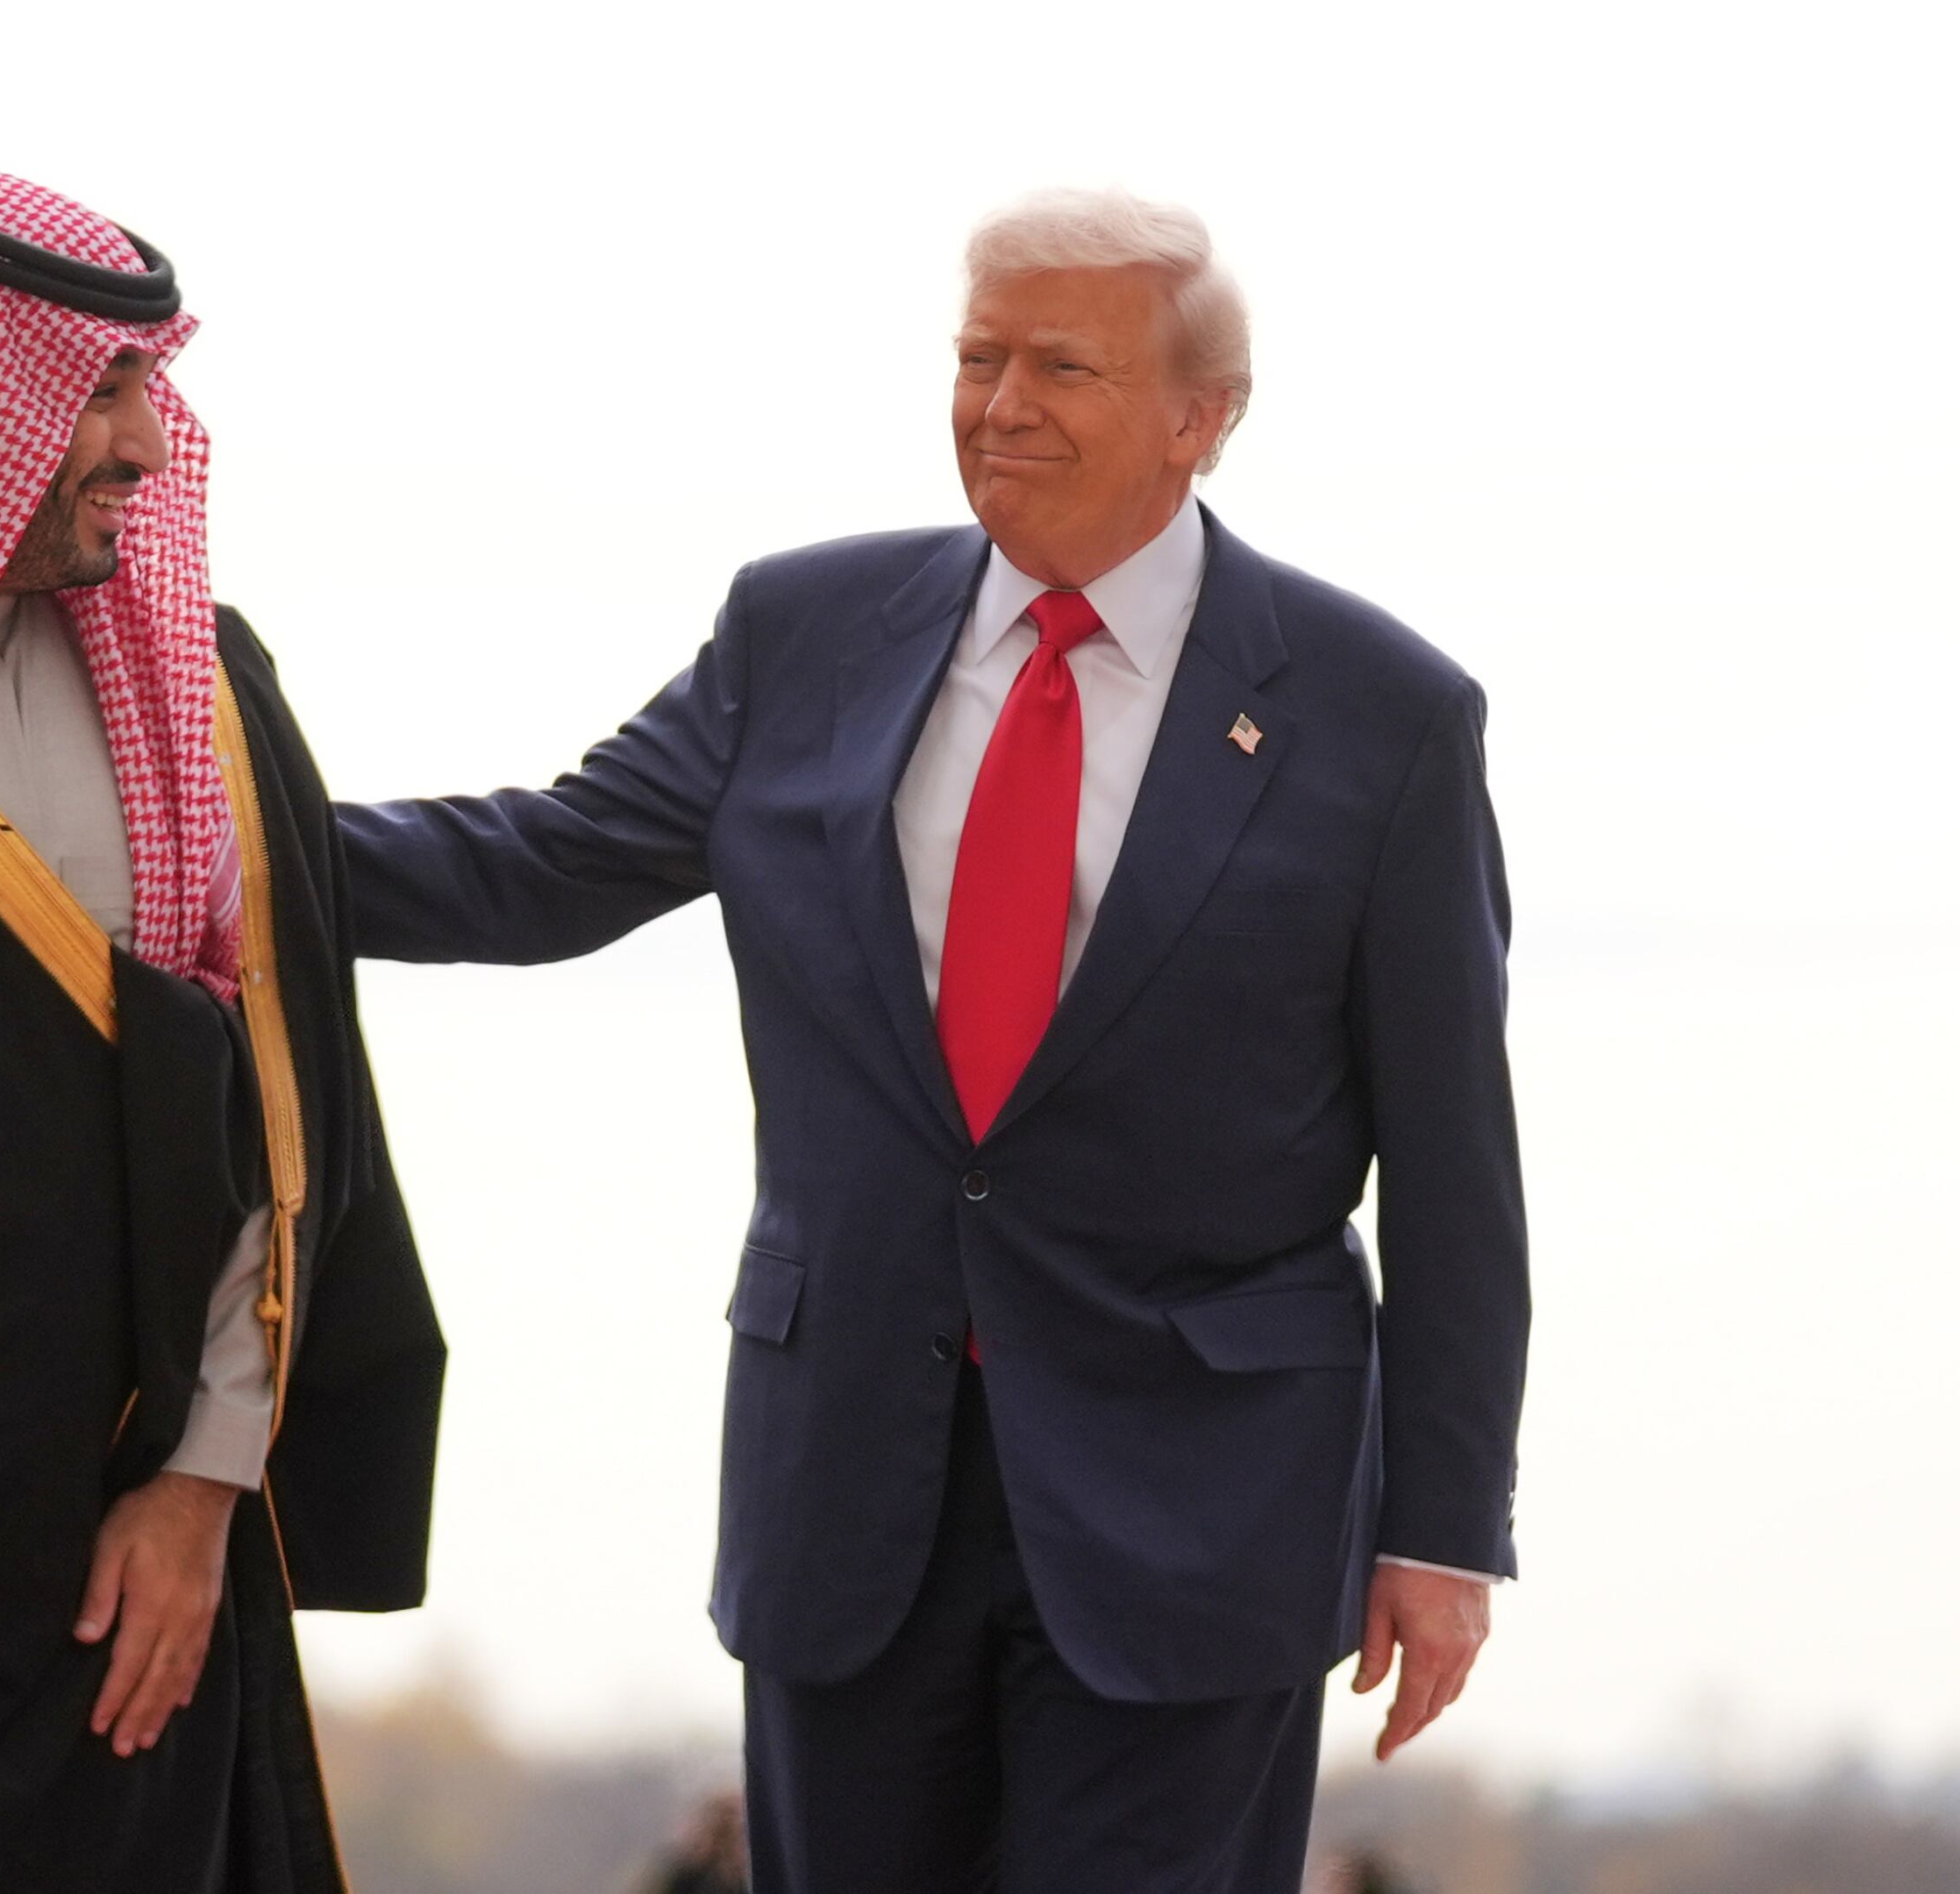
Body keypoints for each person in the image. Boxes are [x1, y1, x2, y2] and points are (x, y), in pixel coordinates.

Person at [335, 189, 1528, 1890]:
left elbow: (1458, 1156)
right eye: (978, 358)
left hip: (1200, 1511)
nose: (1001, 403)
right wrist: (201, 833)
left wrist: (1441, 1524)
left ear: (1203, 417)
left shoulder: (1383, 713)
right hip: (852, 1487)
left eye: (1061, 365)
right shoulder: (802, 635)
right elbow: (539, 864)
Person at [0, 163, 446, 1892]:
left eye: (146, 386)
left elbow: (275, 1134)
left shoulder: (206, 701)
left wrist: (207, 1482)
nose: (146, 444)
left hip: (106, 1575)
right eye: (96, 388)